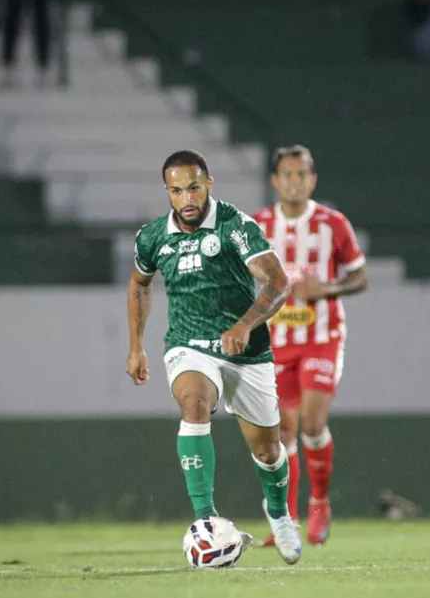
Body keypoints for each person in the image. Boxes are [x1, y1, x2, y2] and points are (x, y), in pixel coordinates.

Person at [125, 149, 302, 565]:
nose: (186, 198)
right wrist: (136, 346)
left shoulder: (235, 226)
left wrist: (244, 326)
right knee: (194, 401)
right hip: (189, 345)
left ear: (209, 184)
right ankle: (206, 519)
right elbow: (139, 284)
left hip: (247, 351)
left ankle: (278, 514)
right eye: (176, 190)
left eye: (193, 187)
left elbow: (278, 283)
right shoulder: (152, 237)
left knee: (268, 451)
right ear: (166, 192)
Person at [252, 145, 370, 546]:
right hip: (277, 341)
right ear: (275, 181)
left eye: (302, 174)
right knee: (284, 432)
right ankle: (288, 520)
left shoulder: (332, 223)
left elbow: (360, 277)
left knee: (313, 423)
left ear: (312, 180)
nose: (294, 181)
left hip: (322, 336)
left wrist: (328, 289)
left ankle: (320, 505)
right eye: (287, 174)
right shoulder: (259, 225)